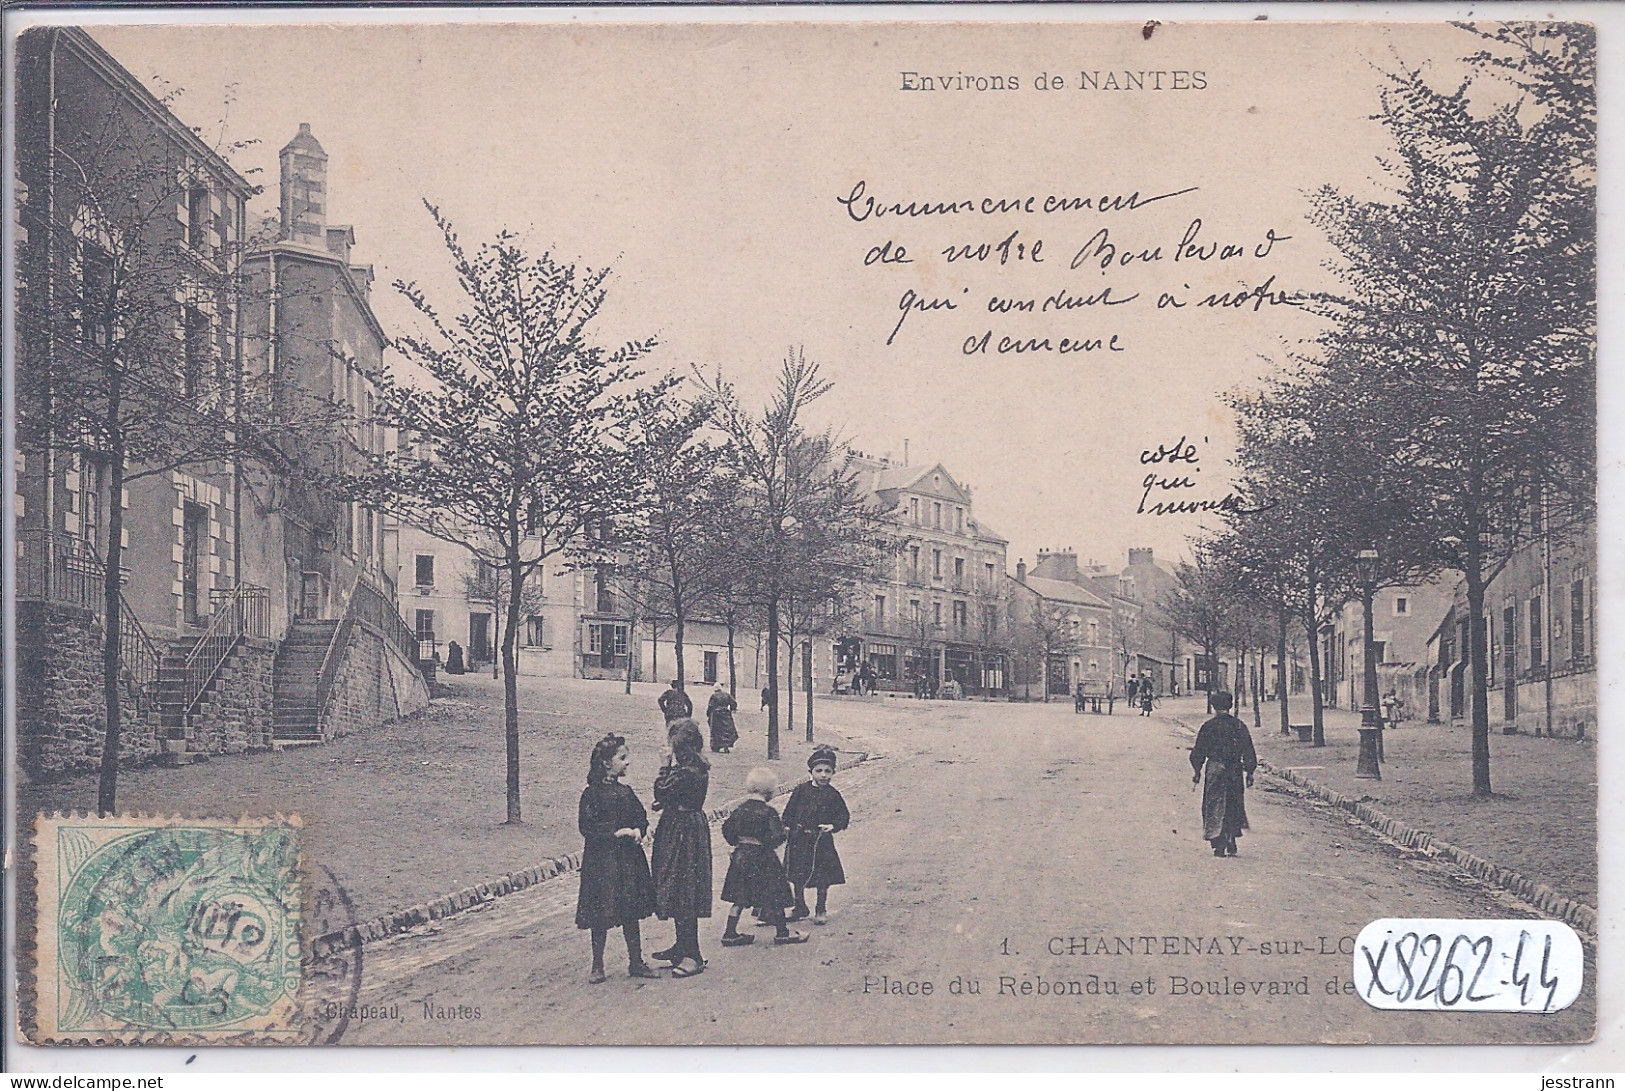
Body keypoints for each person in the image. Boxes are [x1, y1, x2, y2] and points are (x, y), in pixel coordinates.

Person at [575, 734, 659, 983]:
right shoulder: (591, 795)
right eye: (622, 758)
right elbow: (587, 827)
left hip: (628, 861)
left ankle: (636, 961)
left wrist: (638, 831)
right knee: (600, 913)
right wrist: (615, 832)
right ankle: (597, 964)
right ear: (605, 763)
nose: (627, 763)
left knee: (630, 911)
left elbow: (641, 818)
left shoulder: (626, 792)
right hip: (602, 862)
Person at [650, 719, 712, 977]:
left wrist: (663, 767)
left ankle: (693, 955)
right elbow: (669, 797)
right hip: (684, 826)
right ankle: (681, 946)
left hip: (682, 832)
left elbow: (661, 790)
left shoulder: (685, 772)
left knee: (684, 890)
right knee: (678, 887)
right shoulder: (695, 768)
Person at [719, 768, 807, 947]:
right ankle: (782, 933)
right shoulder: (768, 812)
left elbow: (727, 830)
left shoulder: (739, 810)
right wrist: (779, 836)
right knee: (775, 894)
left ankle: (730, 933)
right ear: (770, 791)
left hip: (741, 856)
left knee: (739, 896)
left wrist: (737, 843)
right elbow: (777, 836)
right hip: (763, 857)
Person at [782, 745, 850, 925]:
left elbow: (843, 816)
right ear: (810, 772)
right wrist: (788, 826)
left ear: (833, 773)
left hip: (821, 842)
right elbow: (788, 813)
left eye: (828, 771)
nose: (823, 775)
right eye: (818, 771)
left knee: (823, 877)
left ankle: (821, 908)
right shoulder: (800, 790)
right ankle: (799, 906)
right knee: (797, 875)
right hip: (799, 839)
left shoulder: (833, 794)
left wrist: (832, 826)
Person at [1188, 692, 1258, 858]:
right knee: (1233, 802)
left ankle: (1218, 843)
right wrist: (1250, 771)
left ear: (1213, 706)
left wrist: (1197, 771)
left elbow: (1198, 751)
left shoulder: (1208, 726)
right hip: (1234, 769)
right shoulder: (1239, 725)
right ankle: (1231, 837)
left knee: (1214, 804)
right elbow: (1248, 749)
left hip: (1215, 768)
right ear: (1231, 705)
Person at [707, 687, 739, 753]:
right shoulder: (726, 695)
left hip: (716, 715)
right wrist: (732, 709)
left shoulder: (714, 696)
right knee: (727, 730)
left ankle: (716, 746)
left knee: (716, 730)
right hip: (726, 713)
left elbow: (710, 706)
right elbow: (734, 703)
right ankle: (726, 746)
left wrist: (708, 714)